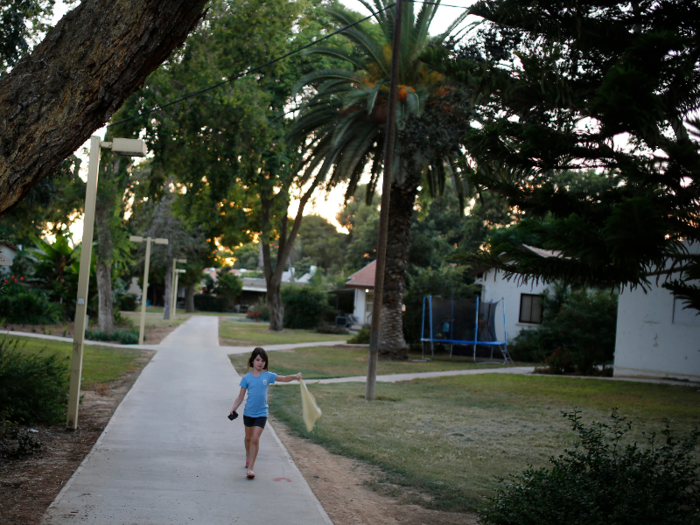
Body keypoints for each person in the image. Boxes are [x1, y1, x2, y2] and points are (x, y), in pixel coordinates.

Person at [229, 347, 301, 479]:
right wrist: (234, 408)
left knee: (255, 439)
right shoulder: (246, 378)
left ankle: (251, 467)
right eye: (257, 360)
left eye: (262, 360)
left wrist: (295, 377)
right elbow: (240, 396)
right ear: (252, 361)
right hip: (248, 413)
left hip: (262, 413)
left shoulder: (268, 376)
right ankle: (248, 456)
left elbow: (284, 378)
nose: (260, 363)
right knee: (248, 438)